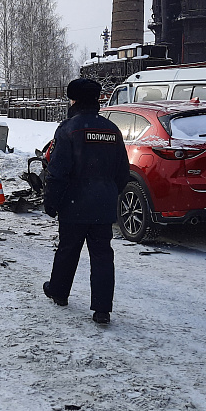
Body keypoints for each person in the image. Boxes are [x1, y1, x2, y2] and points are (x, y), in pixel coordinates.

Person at [42, 78, 131, 324]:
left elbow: (58, 171)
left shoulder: (69, 128)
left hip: (74, 203)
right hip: (103, 206)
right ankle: (102, 309)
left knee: (68, 249)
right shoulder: (112, 129)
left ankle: (59, 292)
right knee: (102, 255)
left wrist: (52, 201)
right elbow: (123, 171)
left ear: (75, 100)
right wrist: (109, 191)